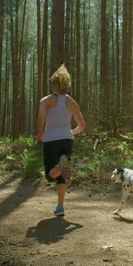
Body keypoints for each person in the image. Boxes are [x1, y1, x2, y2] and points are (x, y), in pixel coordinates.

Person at [37, 64, 86, 217]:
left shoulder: (46, 101)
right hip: (67, 139)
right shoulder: (72, 102)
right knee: (62, 176)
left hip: (51, 139)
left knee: (50, 175)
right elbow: (82, 124)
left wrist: (40, 131)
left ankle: (59, 165)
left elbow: (41, 118)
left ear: (54, 84)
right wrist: (73, 132)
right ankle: (60, 207)